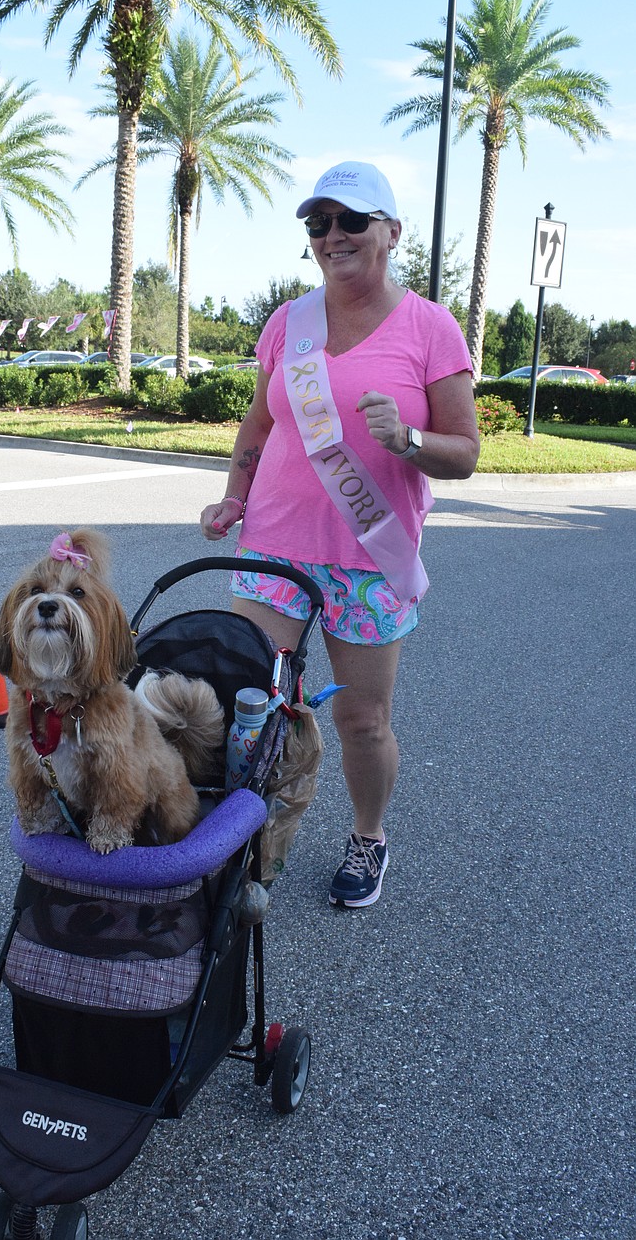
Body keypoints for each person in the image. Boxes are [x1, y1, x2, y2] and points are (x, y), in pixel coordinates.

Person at [200, 161, 480, 908]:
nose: (332, 236)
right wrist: (234, 497)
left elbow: (467, 452)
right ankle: (237, 840)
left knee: (363, 720)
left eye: (350, 221)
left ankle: (367, 835)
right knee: (246, 702)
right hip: (274, 546)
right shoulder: (288, 323)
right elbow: (258, 424)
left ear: (391, 231)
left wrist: (411, 440)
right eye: (318, 224)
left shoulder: (430, 327)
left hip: (369, 556)